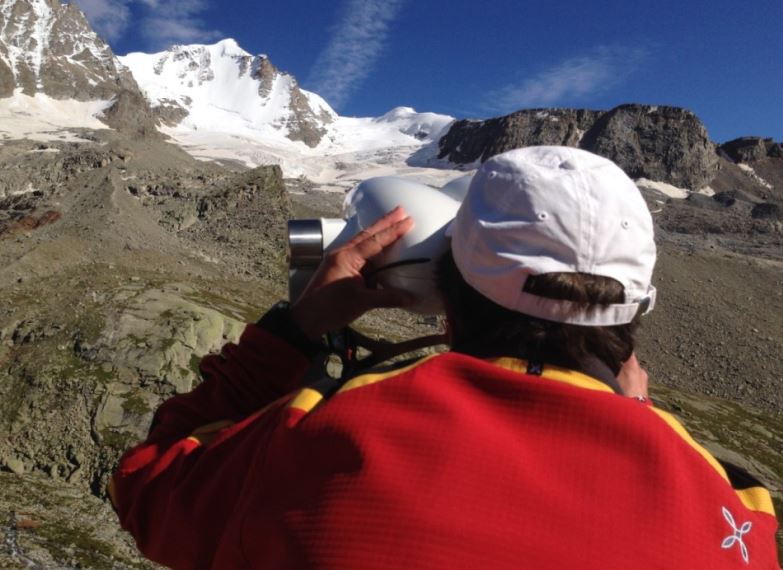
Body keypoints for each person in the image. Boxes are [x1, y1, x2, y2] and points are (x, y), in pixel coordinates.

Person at [110, 147, 779, 569]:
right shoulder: (736, 509)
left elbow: (150, 487)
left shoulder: (321, 437)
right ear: (637, 304)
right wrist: (637, 419)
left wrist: (302, 323)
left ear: (440, 281)